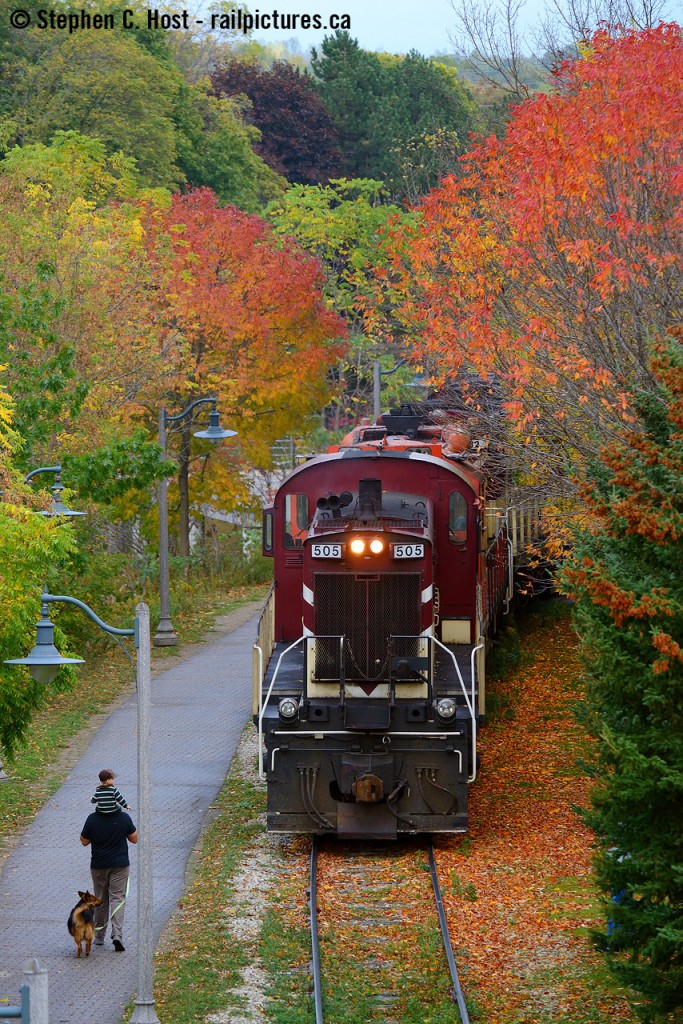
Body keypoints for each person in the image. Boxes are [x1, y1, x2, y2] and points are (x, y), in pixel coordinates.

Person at [80, 805, 137, 951]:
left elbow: (84, 841)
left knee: (100, 900)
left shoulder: (92, 819)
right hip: (120, 866)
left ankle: (99, 937)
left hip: (99, 866)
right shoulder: (124, 818)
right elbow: (134, 839)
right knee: (117, 898)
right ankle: (117, 935)